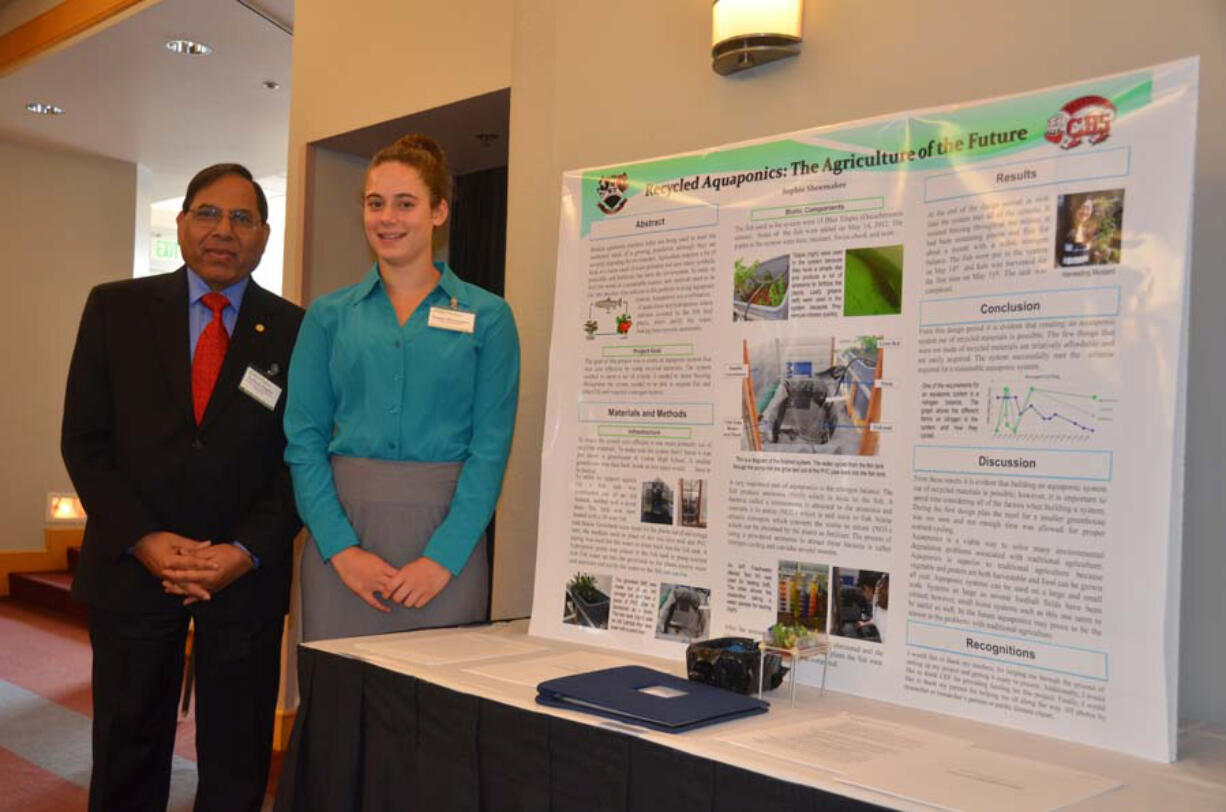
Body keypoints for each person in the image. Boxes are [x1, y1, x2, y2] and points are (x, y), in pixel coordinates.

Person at [61, 163, 304, 811]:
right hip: (133, 571)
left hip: (243, 581)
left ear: (264, 234)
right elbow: (84, 443)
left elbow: (300, 460)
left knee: (237, 756)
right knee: (127, 746)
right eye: (208, 213)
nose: (224, 230)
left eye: (242, 218)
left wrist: (243, 550)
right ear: (182, 223)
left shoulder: (297, 330)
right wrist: (143, 538)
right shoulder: (115, 309)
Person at [284, 134, 519, 642]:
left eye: (405, 203)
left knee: (436, 710)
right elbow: (303, 441)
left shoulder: (489, 317)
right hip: (340, 538)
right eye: (375, 203)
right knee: (340, 704)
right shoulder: (328, 316)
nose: (387, 218)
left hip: (446, 543)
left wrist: (443, 558)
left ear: (438, 212)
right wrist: (341, 551)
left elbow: (490, 450)